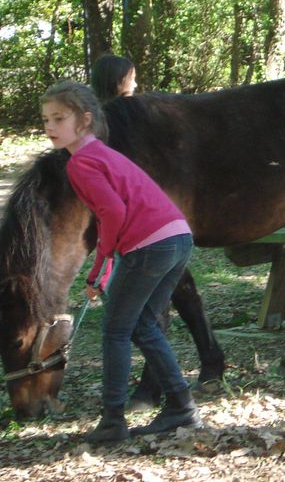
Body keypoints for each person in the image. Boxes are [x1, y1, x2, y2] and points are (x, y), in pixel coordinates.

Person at [40, 81, 199, 443]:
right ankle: (181, 407)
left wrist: (99, 267)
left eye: (59, 118)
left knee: (116, 330)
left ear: (85, 120)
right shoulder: (99, 153)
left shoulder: (81, 163)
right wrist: (108, 264)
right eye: (46, 119)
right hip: (177, 237)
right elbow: (116, 213)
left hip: (152, 245)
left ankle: (113, 419)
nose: (50, 127)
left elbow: (112, 211)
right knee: (143, 326)